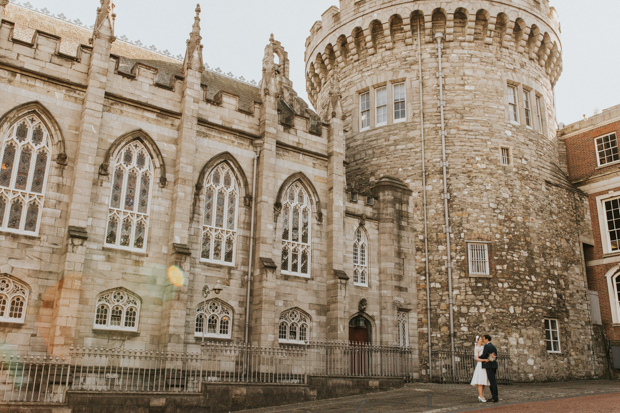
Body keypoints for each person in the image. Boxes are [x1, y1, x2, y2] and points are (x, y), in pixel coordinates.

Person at [470, 335, 490, 402]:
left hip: (484, 365)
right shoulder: (476, 348)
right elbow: (476, 358)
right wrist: (484, 360)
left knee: (483, 381)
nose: (482, 340)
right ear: (477, 340)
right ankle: (480, 396)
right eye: (480, 339)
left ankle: (482, 395)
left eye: (482, 339)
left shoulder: (483, 347)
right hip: (480, 365)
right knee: (480, 382)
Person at [480, 334, 499, 403]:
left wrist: (479, 357)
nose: (483, 340)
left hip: (490, 366)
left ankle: (495, 397)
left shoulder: (487, 346)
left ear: (487, 339)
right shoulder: (493, 346)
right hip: (494, 365)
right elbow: (495, 356)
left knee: (492, 382)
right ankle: (495, 396)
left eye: (484, 339)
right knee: (493, 381)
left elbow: (484, 355)